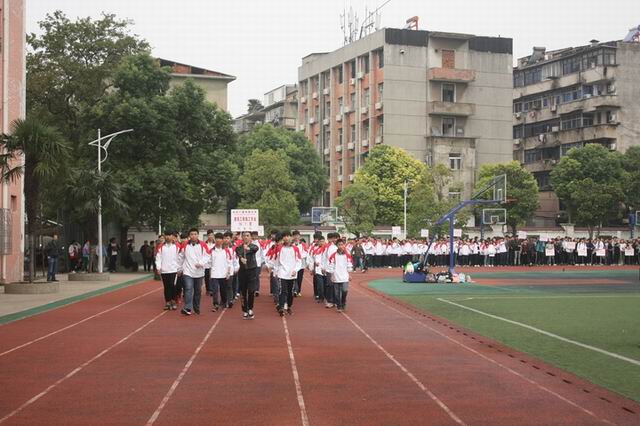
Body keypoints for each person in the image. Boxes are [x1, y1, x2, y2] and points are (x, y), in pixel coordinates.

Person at [179, 228, 209, 316]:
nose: (193, 236)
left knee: (197, 291)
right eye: (192, 234)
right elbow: (180, 257)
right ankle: (187, 308)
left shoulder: (203, 244)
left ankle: (196, 307)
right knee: (188, 288)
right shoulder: (184, 245)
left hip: (199, 272)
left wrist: (201, 263)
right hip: (188, 271)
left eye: (195, 234)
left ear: (198, 235)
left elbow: (207, 255)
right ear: (189, 236)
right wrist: (179, 269)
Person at [272, 231, 303, 316]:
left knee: (290, 292)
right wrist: (275, 271)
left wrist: (295, 270)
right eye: (284, 236)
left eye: (288, 236)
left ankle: (289, 306)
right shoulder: (279, 248)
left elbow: (299, 261)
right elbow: (276, 260)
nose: (286, 238)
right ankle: (281, 307)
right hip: (282, 273)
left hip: (292, 274)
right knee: (282, 291)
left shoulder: (295, 248)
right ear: (283, 238)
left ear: (291, 237)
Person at [235, 231, 260, 320]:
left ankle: (250, 308)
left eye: (247, 235)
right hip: (242, 272)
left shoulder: (254, 246)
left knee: (251, 291)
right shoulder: (238, 248)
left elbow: (255, 249)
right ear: (242, 237)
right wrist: (241, 258)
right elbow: (239, 253)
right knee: (243, 292)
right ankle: (245, 310)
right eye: (244, 236)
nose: (246, 237)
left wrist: (248, 249)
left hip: (252, 271)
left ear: (250, 237)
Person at [155, 231, 180, 311]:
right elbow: (158, 258)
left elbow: (179, 258)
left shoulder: (177, 246)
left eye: (170, 235)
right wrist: (158, 267)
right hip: (164, 270)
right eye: (166, 235)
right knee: (166, 286)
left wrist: (179, 268)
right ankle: (168, 302)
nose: (168, 237)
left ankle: (173, 301)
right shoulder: (161, 247)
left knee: (172, 285)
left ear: (173, 236)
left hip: (174, 270)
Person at [326, 239, 353, 312]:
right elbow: (331, 266)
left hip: (345, 276)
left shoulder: (347, 255)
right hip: (336, 276)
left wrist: (349, 274)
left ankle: (343, 302)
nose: (341, 246)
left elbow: (349, 265)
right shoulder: (333, 255)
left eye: (342, 244)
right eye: (339, 245)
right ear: (337, 246)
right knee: (337, 293)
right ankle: (339, 306)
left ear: (344, 245)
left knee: (345, 290)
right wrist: (332, 275)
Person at [209, 232, 233, 311]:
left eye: (220, 239)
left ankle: (224, 302)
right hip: (214, 273)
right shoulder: (211, 250)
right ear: (215, 240)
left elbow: (229, 262)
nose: (218, 240)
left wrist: (228, 272)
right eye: (217, 239)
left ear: (222, 240)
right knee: (215, 290)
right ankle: (215, 304)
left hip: (223, 273)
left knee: (223, 290)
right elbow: (208, 261)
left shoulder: (226, 251)